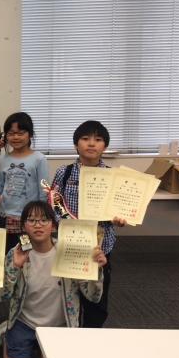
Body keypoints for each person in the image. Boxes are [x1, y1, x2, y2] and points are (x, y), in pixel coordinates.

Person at [0, 201, 106, 358]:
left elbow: (93, 297)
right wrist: (14, 267)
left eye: (44, 220)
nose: (38, 225)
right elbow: (0, 296)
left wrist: (96, 273)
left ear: (54, 225)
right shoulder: (16, 253)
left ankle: (42, 351)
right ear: (23, 227)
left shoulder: (69, 252)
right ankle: (7, 336)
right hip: (24, 323)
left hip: (58, 327)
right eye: (31, 220)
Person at [49, 120, 127, 328]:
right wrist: (64, 224)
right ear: (76, 144)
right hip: (70, 246)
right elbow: (54, 203)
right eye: (85, 139)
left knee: (97, 301)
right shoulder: (64, 173)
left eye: (98, 140)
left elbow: (119, 209)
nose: (91, 143)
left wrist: (120, 219)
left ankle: (92, 336)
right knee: (68, 296)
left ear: (105, 146)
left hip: (100, 249)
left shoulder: (112, 176)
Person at [0, 112, 49, 251]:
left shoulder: (39, 159)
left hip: (28, 219)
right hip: (4, 217)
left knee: (26, 253)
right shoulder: (3, 159)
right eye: (11, 133)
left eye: (20, 133)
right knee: (4, 253)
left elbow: (44, 190)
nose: (16, 137)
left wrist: (41, 217)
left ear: (30, 134)